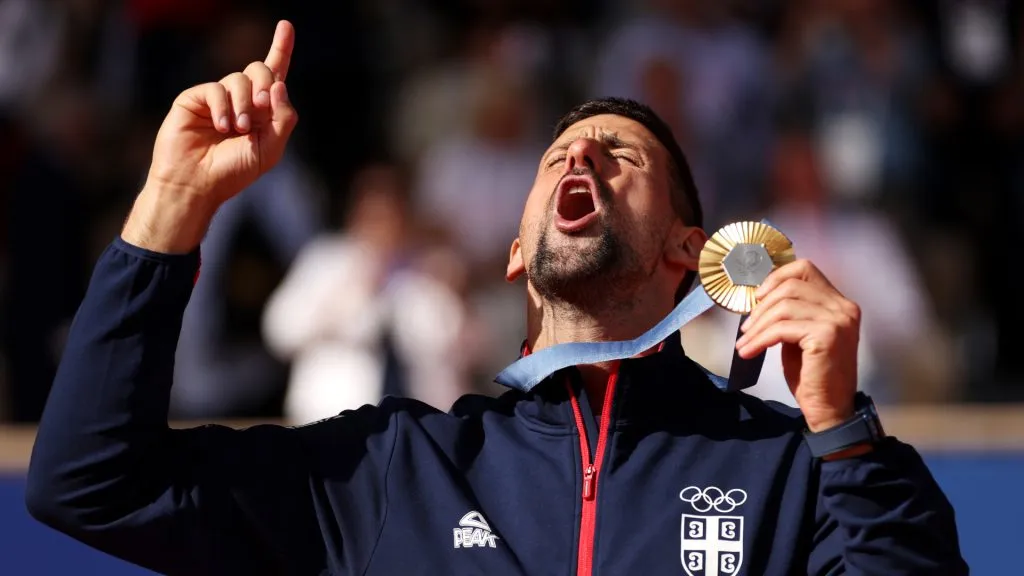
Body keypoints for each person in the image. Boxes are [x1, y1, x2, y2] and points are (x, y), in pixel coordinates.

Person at [25, 21, 966, 575]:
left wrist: (843, 433)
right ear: (518, 253)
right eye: (558, 155)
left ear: (695, 252)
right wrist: (170, 210)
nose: (580, 155)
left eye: (620, 155)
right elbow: (91, 485)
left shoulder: (793, 476)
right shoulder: (394, 472)